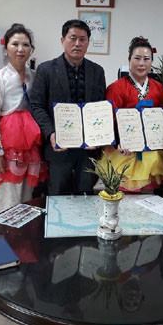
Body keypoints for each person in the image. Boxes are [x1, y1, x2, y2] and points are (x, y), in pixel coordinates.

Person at [31, 19, 106, 195]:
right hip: (58, 148)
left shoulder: (97, 71)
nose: (77, 43)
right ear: (62, 40)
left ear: (88, 43)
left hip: (88, 150)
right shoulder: (46, 70)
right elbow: (37, 105)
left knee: (85, 196)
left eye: (83, 39)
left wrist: (97, 136)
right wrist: (50, 132)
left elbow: (101, 108)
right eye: (73, 38)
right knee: (57, 195)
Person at [0, 23, 48, 217]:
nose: (20, 49)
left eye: (25, 45)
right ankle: (2, 236)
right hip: (7, 146)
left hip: (31, 146)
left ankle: (23, 237)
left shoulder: (35, 76)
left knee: (27, 201)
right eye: (15, 44)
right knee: (6, 201)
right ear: (6, 48)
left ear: (31, 49)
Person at [98, 37, 163, 193]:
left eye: (146, 59)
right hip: (124, 150)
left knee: (149, 198)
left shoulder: (159, 88)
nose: (141, 63)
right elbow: (111, 119)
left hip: (151, 152)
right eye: (137, 58)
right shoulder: (116, 88)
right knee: (122, 196)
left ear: (152, 62)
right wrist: (119, 141)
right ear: (129, 60)